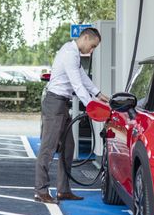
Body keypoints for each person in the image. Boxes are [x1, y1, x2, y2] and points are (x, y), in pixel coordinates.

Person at [35, 27, 108, 204]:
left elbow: (83, 77)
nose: (91, 51)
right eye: (92, 46)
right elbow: (77, 84)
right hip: (55, 103)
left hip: (62, 103)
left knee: (69, 147)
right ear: (84, 37)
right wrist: (91, 105)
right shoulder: (69, 53)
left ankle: (63, 190)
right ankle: (41, 191)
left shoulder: (74, 55)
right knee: (48, 147)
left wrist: (98, 94)